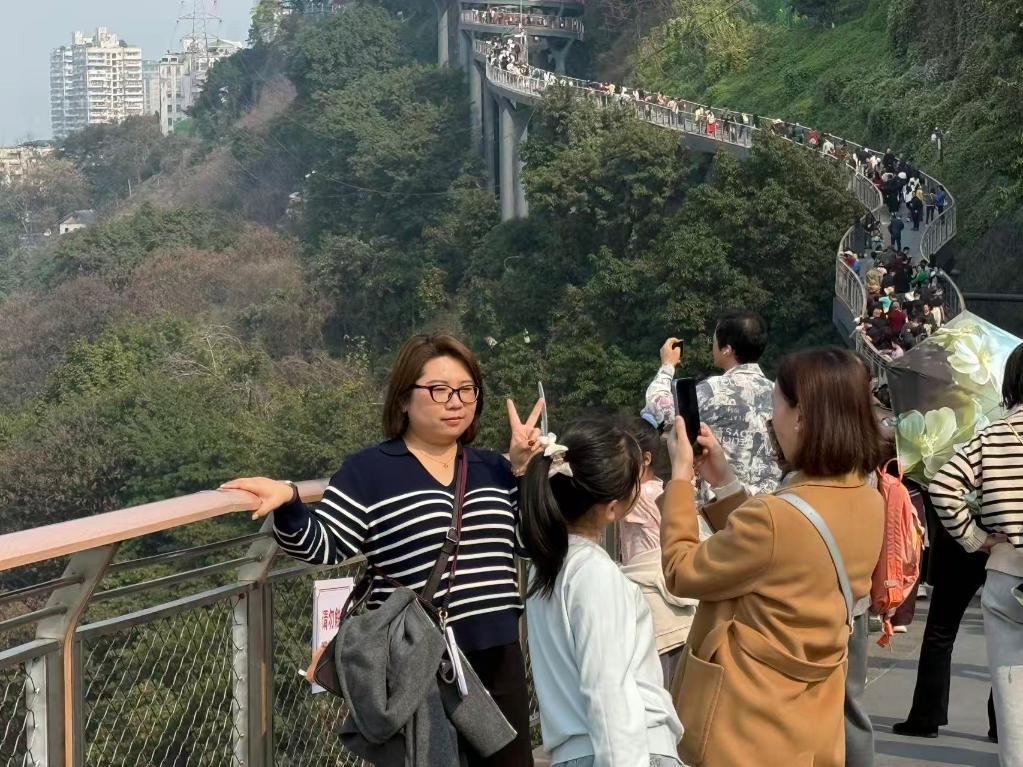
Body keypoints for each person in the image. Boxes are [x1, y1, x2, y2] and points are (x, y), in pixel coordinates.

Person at [221, 333, 541, 766]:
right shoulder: (369, 472)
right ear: (404, 399)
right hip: (418, 665)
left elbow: (525, 543)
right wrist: (289, 502)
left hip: (497, 657)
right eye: (440, 390)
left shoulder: (494, 469)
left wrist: (524, 472)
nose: (456, 402)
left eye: (467, 390)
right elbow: (325, 546)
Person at [661, 347, 886, 767]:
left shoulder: (773, 518)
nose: (771, 417)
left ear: (800, 417)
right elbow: (783, 551)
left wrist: (679, 478)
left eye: (776, 404)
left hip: (747, 724)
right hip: (812, 720)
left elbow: (680, 571)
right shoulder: (868, 500)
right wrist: (725, 482)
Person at [519, 420, 684, 767]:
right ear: (612, 508)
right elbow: (608, 686)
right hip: (628, 751)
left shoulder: (546, 568)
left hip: (576, 752)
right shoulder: (594, 572)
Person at [929, 342, 1023, 765]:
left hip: (1008, 572)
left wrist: (976, 538)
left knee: (1012, 700)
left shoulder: (993, 435)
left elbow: (943, 486)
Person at [644, 312, 780, 496]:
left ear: (727, 349)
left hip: (723, 502)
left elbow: (661, 410)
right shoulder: (778, 393)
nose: (712, 346)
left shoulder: (712, 391)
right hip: (771, 501)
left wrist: (667, 366)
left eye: (713, 340)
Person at [619, 415, 711, 686]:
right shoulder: (664, 491)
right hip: (680, 618)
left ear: (645, 459)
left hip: (658, 617)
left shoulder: (637, 495)